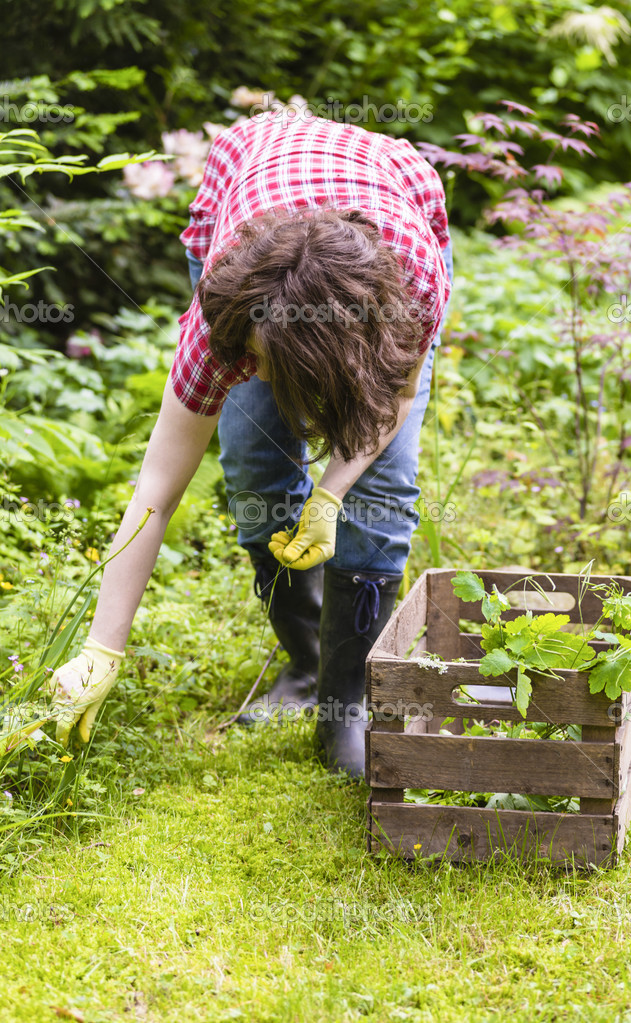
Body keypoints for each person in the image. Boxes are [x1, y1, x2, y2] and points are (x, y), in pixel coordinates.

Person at [48, 108, 453, 779]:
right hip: (246, 187)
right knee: (254, 464)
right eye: (254, 361)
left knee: (384, 490)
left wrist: (331, 494)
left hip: (391, 207)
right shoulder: (223, 321)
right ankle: (305, 665)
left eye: (269, 368)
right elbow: (156, 489)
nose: (253, 375)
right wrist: (101, 650)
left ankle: (344, 706)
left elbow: (397, 400)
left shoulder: (409, 286)